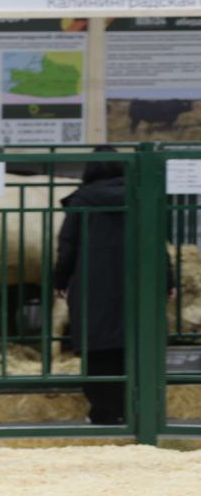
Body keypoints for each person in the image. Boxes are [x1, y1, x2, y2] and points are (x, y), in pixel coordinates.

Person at [54, 150, 172, 425]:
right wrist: (167, 281)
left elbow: (67, 245)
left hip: (94, 285)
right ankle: (139, 411)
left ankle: (105, 412)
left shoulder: (82, 199)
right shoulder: (141, 196)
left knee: (99, 349)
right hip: (140, 284)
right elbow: (158, 244)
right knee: (136, 344)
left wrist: (60, 280)